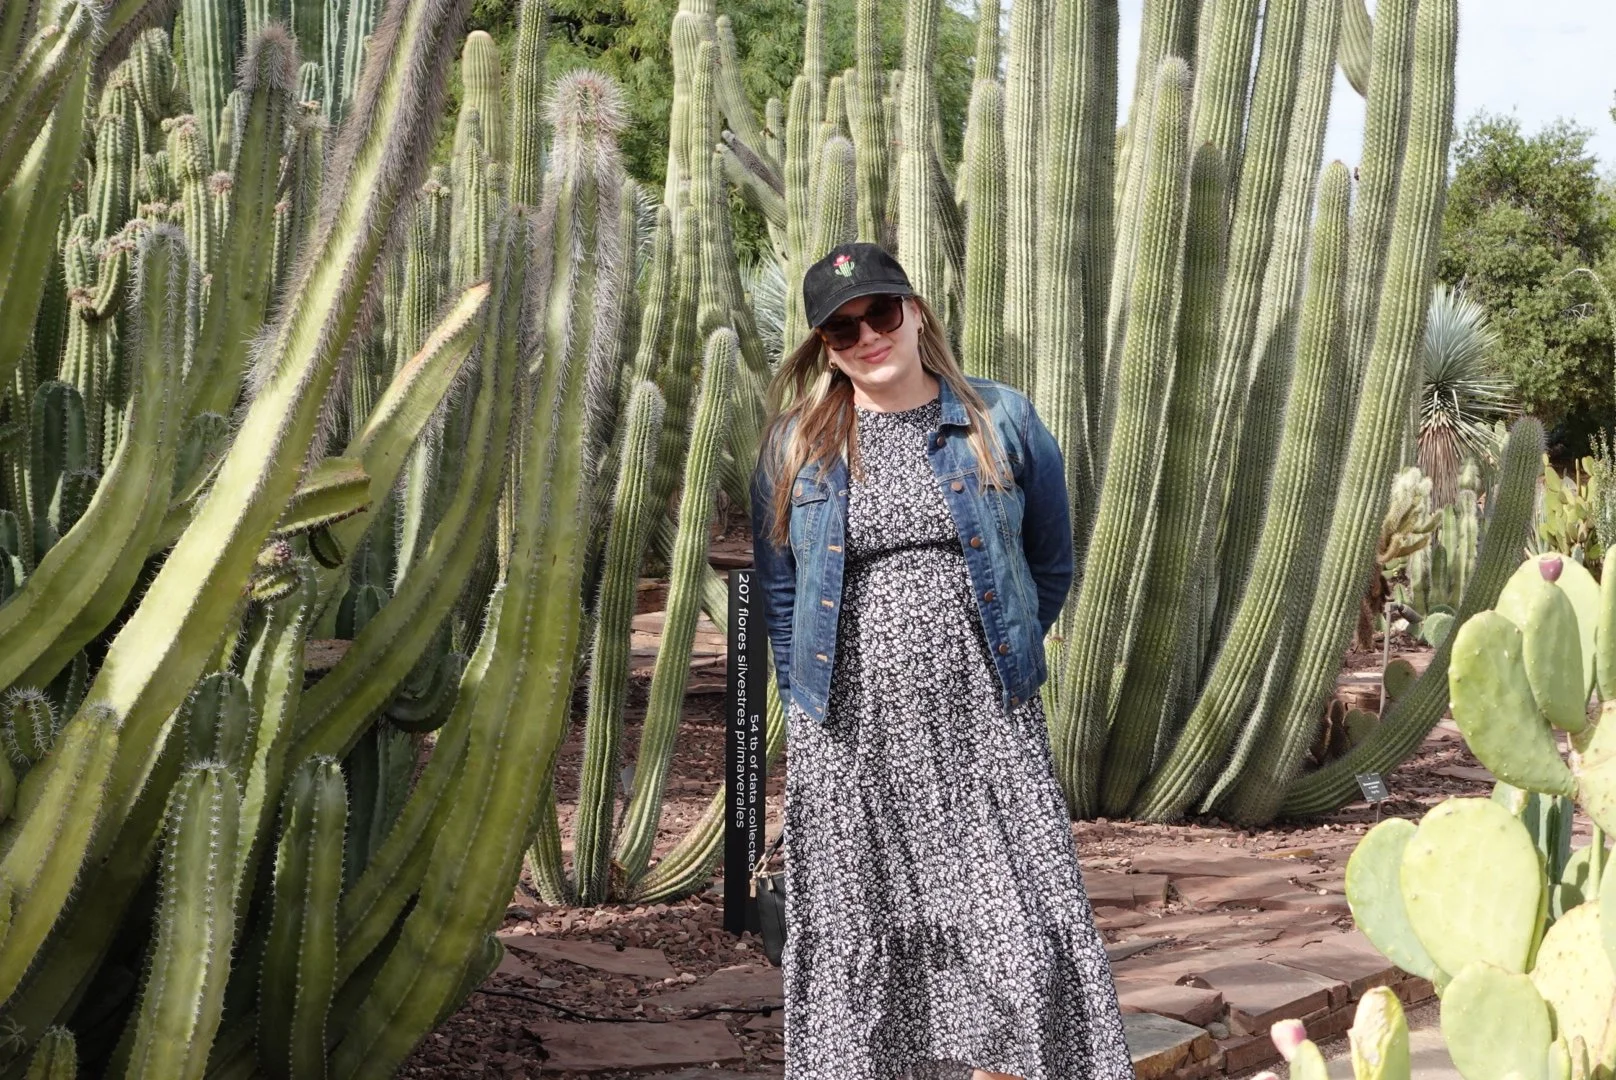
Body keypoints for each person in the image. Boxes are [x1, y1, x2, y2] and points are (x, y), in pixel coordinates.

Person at [749, 242, 1132, 1080]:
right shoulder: (795, 446)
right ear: (825, 348)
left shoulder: (1002, 421)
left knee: (1015, 929)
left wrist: (1005, 652)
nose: (867, 338)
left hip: (983, 721)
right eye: (842, 331)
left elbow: (1050, 562)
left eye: (880, 313)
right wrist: (806, 716)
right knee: (864, 929)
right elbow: (781, 594)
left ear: (915, 311)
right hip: (848, 730)